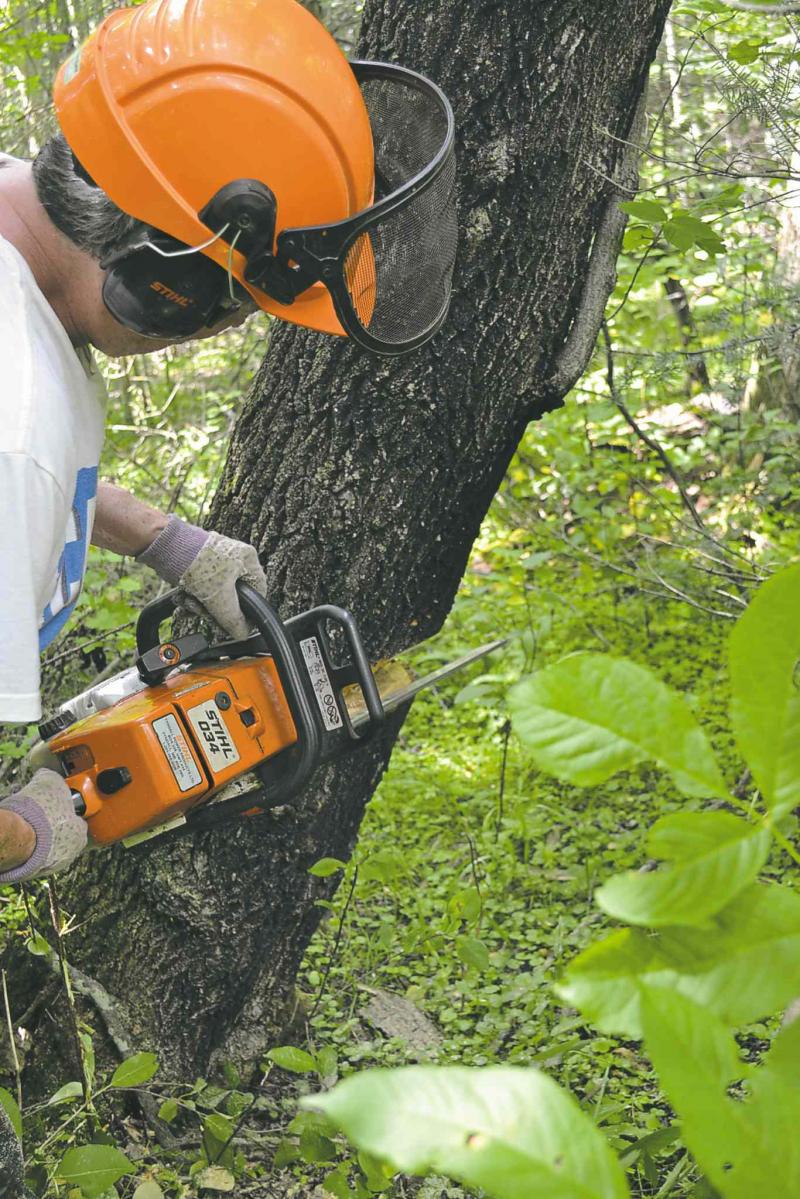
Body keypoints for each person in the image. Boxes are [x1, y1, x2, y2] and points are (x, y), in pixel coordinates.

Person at [0, 0, 456, 886]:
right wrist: (25, 831)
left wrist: (165, 540)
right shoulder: (20, 436)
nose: (219, 334)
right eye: (233, 304)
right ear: (159, 279)